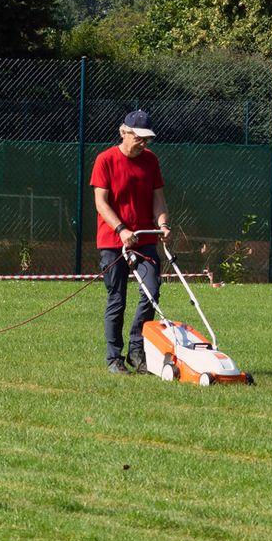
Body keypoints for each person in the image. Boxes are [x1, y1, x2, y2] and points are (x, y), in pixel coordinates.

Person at [89, 109, 171, 373]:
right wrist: (121, 229)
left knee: (151, 291)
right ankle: (114, 357)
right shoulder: (105, 160)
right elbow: (101, 203)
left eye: (147, 139)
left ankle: (137, 351)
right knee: (117, 298)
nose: (144, 144)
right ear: (124, 133)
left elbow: (158, 197)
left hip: (145, 237)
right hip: (113, 240)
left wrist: (163, 224)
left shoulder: (150, 160)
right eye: (139, 138)